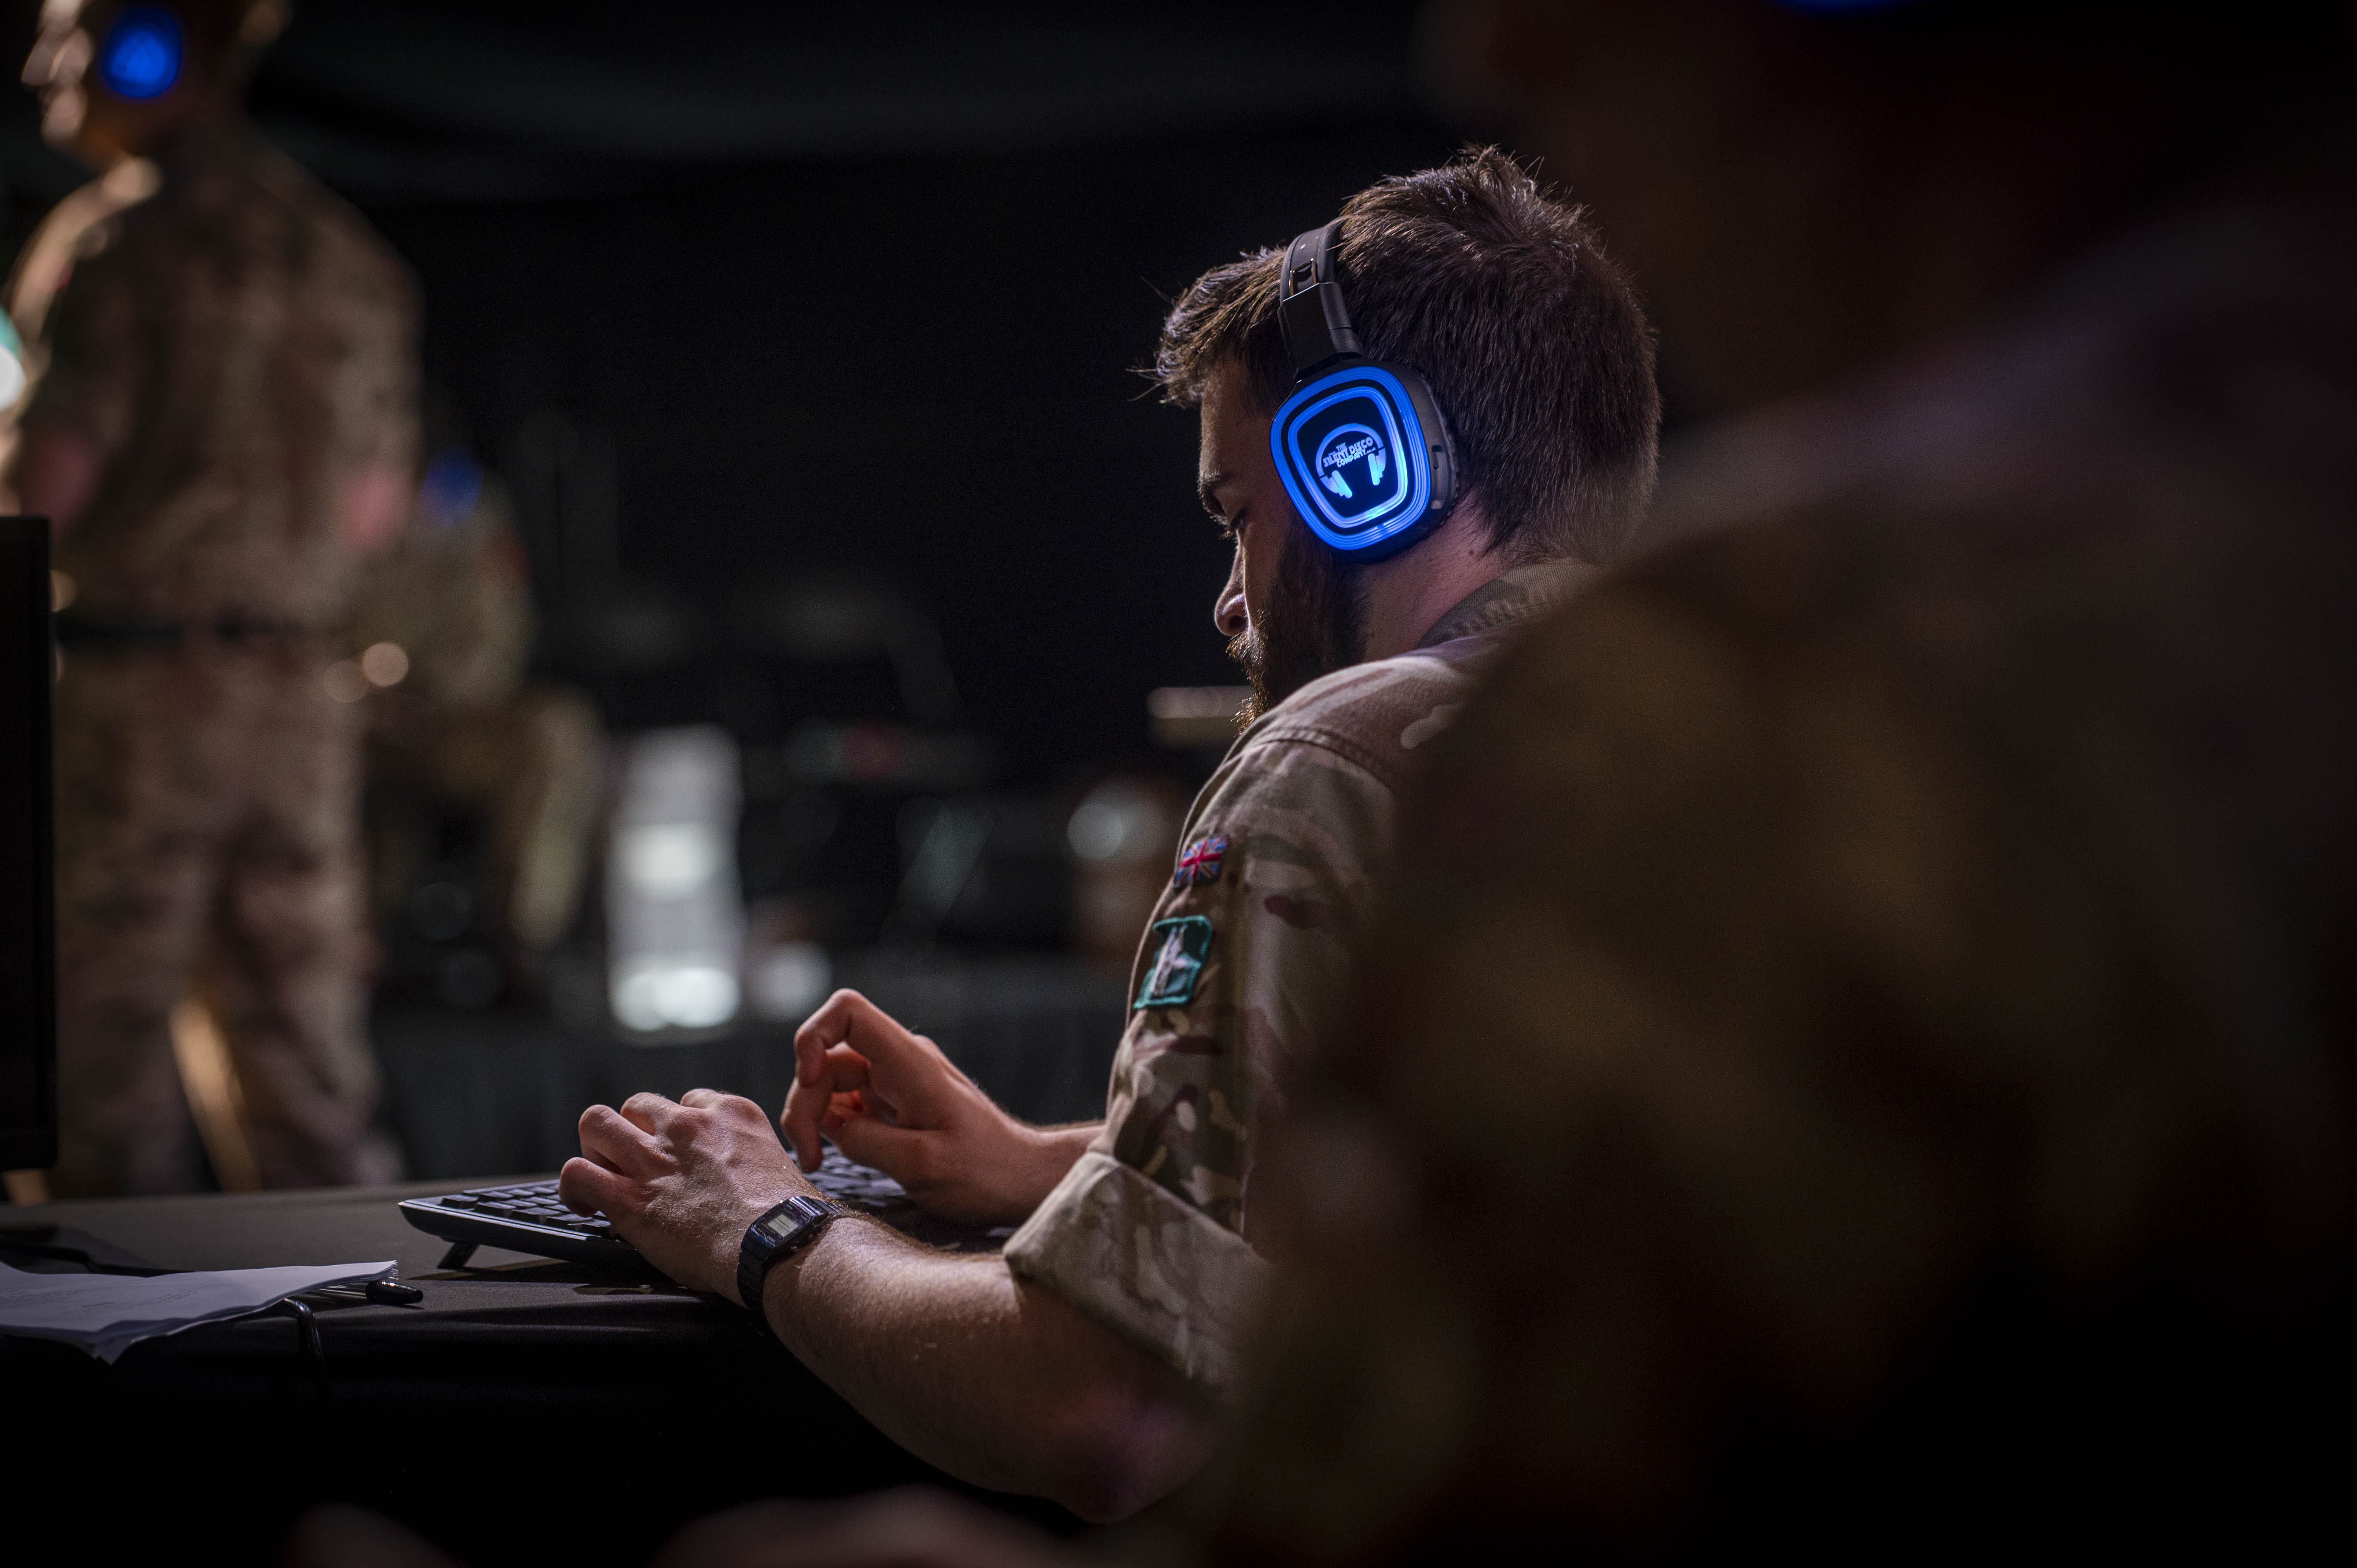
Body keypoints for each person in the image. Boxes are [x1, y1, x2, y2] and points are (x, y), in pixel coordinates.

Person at [555, 147, 1661, 1520]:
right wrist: (1047, 1165)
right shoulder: (1742, 732)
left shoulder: (1335, 760)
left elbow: (1100, 1403)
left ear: (1362, 464)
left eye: (1234, 518)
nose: (1227, 602)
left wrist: (765, 1223)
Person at [6, 0, 418, 1194]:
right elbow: (373, 512)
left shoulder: (115, 243)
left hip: (137, 708)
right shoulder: (347, 257)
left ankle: (100, 1369)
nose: (46, 62)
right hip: (295, 701)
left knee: (97, 1081)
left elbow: (44, 489)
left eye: (74, 30)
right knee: (305, 1074)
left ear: (156, 49)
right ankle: (355, 1343)